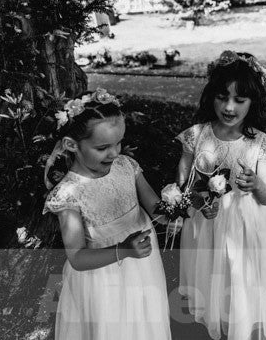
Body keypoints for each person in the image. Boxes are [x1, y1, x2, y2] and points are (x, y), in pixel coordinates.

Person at [42, 88, 176, 340]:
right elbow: (78, 258)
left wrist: (180, 208)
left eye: (118, 143)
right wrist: (123, 251)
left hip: (143, 267)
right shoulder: (68, 194)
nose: (114, 153)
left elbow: (158, 212)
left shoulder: (126, 166)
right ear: (72, 145)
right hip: (101, 281)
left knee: (144, 324)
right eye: (103, 147)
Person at [176, 51, 266, 340]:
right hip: (208, 226)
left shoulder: (259, 143)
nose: (229, 106)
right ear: (210, 96)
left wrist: (255, 185)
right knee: (214, 282)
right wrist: (200, 204)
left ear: (253, 102)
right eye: (222, 97)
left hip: (245, 227)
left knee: (241, 285)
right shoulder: (197, 136)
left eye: (240, 100)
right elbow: (184, 185)